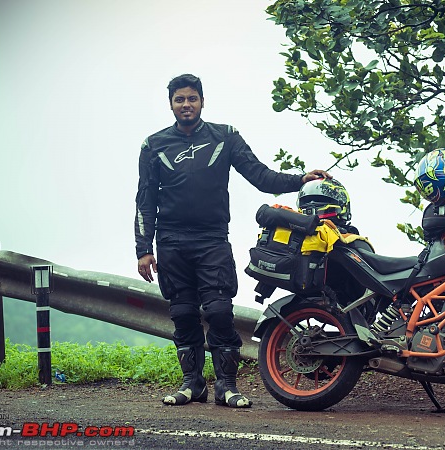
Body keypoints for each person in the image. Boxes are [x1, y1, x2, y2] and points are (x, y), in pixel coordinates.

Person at [134, 73, 330, 408]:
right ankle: (192, 385)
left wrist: (301, 180)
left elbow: (260, 175)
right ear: (171, 104)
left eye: (191, 99)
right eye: (179, 99)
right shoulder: (153, 145)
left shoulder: (225, 137)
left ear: (202, 101)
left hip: (211, 239)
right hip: (171, 241)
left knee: (220, 311)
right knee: (182, 313)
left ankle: (227, 386)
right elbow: (144, 200)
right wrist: (143, 250)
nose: (186, 105)